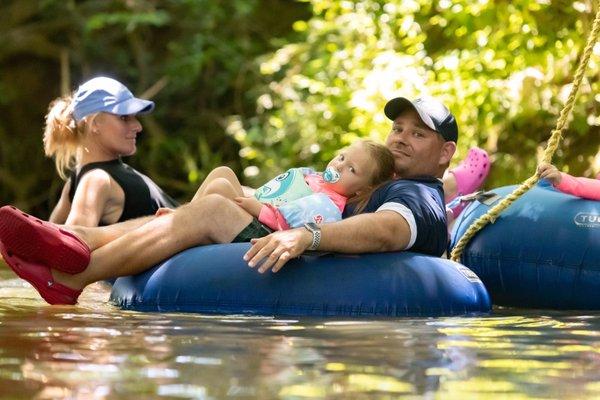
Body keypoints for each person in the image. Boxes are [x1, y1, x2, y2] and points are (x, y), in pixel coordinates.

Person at [0, 96, 460, 305]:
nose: (401, 139)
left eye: (418, 134)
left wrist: (308, 235)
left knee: (216, 210)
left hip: (307, 263)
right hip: (291, 239)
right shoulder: (379, 177)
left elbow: (390, 231)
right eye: (398, 128)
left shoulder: (415, 194)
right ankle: (74, 237)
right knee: (220, 186)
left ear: (444, 154)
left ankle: (71, 276)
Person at [169, 140, 395, 231]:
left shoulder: (328, 205)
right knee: (223, 172)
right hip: (257, 210)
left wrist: (254, 206)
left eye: (351, 169)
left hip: (264, 229)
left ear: (362, 190)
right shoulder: (316, 179)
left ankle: (181, 224)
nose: (339, 166)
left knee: (221, 187)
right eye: (342, 157)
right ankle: (181, 216)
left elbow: (288, 222)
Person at [44, 76, 178, 227]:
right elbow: (68, 243)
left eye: (134, 117)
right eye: (124, 118)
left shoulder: (79, 181)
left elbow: (49, 235)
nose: (138, 127)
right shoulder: (96, 180)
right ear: (95, 124)